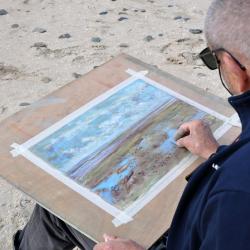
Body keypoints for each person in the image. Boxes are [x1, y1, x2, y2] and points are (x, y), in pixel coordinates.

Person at [14, 0, 250, 249]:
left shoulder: (235, 195)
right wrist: (215, 154)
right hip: (204, 214)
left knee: (55, 210)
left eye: (215, 61)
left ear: (233, 65)